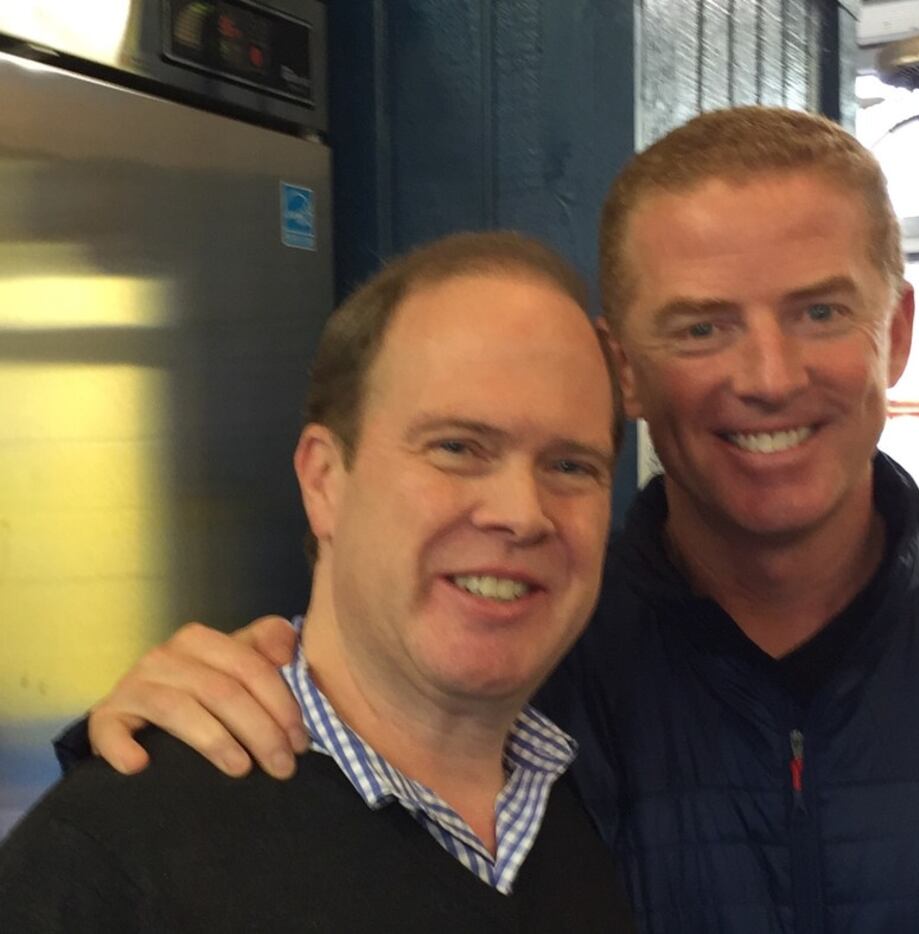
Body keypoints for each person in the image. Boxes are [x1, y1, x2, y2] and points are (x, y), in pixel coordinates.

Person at [55, 108, 919, 932]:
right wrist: (129, 740)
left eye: (818, 311)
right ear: (623, 368)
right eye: (700, 326)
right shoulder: (520, 667)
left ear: (895, 331)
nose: (766, 377)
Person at [0, 232, 636, 933]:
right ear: (324, 480)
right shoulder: (107, 861)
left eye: (572, 467)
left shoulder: (578, 818)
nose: (522, 515)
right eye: (457, 448)